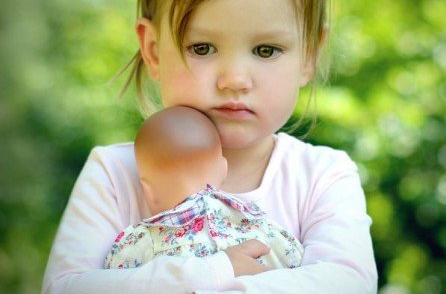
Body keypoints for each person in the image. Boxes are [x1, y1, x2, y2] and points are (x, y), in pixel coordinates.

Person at [40, 0, 378, 294]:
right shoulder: (115, 174)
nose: (234, 79)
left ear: (309, 54)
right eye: (202, 48)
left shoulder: (321, 176)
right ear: (153, 50)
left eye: (267, 50)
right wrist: (215, 271)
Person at [104, 105, 303, 270]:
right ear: (223, 169)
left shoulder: (141, 241)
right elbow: (294, 259)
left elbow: (112, 288)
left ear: (148, 190)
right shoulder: (257, 224)